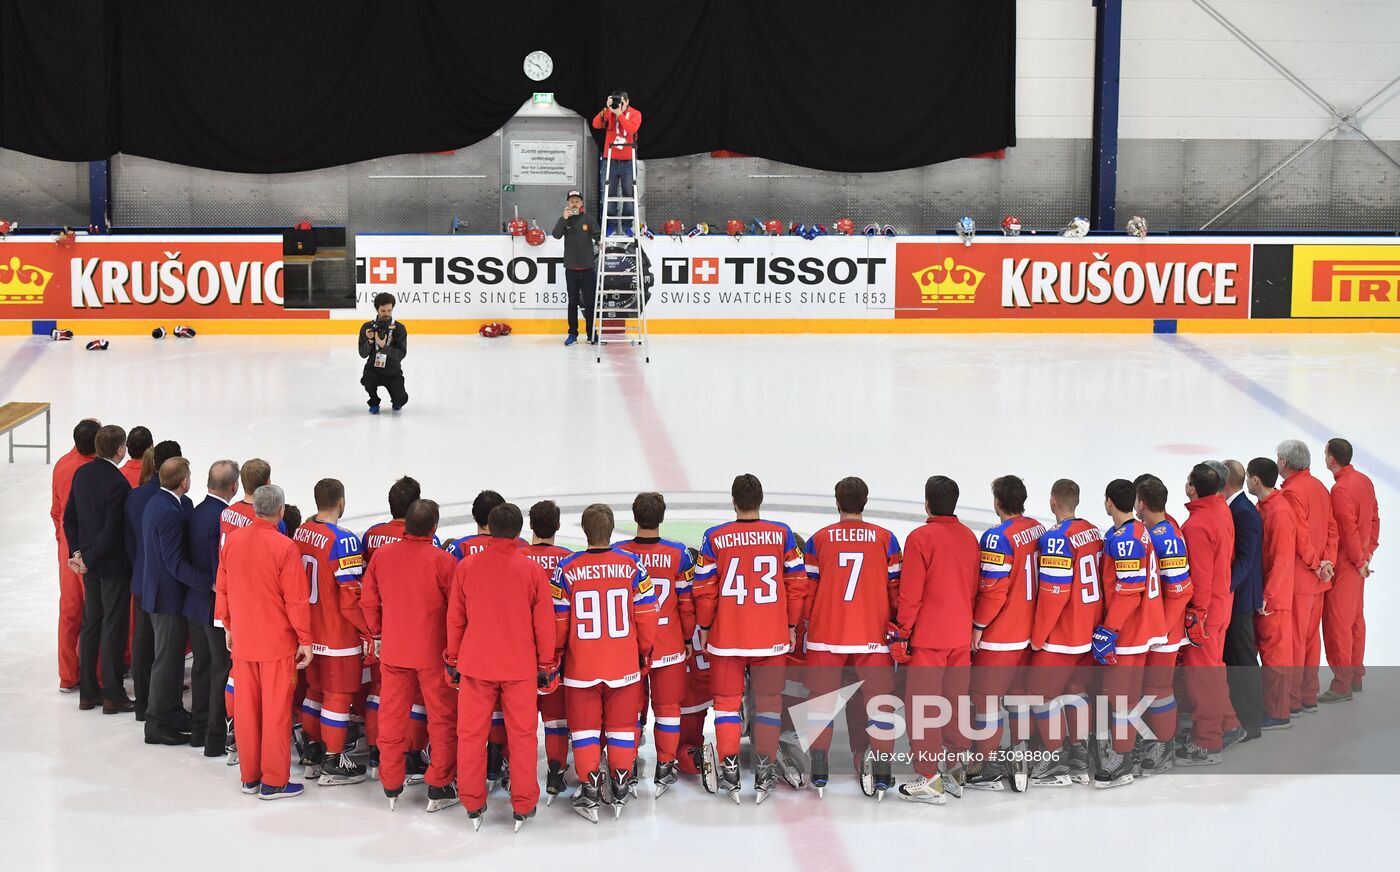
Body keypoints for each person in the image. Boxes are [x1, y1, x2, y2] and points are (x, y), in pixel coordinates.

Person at [692, 474, 807, 804]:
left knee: (726, 705)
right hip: (771, 636)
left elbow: (703, 589)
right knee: (769, 704)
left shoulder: (715, 537)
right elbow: (797, 584)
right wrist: (789, 625)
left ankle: (730, 769)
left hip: (727, 636)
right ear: (760, 500)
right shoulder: (782, 534)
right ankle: (765, 767)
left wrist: (705, 625)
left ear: (733, 501)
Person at [446, 502, 556, 831]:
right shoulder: (532, 570)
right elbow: (544, 624)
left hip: (476, 664)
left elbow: (456, 620)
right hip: (519, 666)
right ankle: (523, 804)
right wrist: (546, 662)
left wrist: (452, 658)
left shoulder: (466, 567)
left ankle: (472, 801)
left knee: (470, 735)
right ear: (521, 532)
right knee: (522, 736)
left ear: (489, 530)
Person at [553, 504, 658, 822]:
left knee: (584, 729)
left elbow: (558, 619)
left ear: (585, 531)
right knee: (624, 727)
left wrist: (557, 653)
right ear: (611, 530)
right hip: (623, 664)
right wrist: (644, 649)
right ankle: (622, 784)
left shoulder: (566, 568)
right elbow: (648, 613)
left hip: (581, 665)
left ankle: (589, 790)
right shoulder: (633, 565)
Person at [798, 477, 901, 799]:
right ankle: (883, 769)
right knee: (880, 705)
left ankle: (819, 766)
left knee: (820, 704)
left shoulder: (819, 540)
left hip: (825, 636)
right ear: (866, 501)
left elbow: (807, 592)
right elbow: (895, 590)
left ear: (837, 502)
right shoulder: (887, 539)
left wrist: (806, 624)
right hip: (873, 636)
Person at [215, 484, 313, 800]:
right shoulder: (285, 548)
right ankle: (274, 781)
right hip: (276, 645)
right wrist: (305, 639)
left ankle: (250, 776)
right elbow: (296, 600)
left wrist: (227, 625)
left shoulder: (233, 542)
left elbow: (223, 587)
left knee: (246, 711)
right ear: (281, 511)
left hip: (243, 640)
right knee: (276, 713)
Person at [362, 499, 460, 813]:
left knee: (391, 716)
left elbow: (368, 600)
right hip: (433, 652)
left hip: (394, 649)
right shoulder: (443, 561)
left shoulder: (383, 556)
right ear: (434, 528)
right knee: (442, 718)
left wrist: (377, 633)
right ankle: (440, 784)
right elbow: (458, 609)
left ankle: (391, 783)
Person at [967, 475, 1046, 790]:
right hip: (1030, 631)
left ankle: (983, 763)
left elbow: (994, 591)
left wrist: (978, 625)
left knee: (986, 701)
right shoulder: (1038, 528)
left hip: (1001, 636)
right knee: (1018, 699)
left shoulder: (996, 537)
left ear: (997, 502)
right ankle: (1020, 753)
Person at [1024, 479, 1103, 788]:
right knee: (1076, 692)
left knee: (1039, 694)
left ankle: (1055, 758)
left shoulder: (1056, 538)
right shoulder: (1093, 531)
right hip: (1088, 631)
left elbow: (1055, 593)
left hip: (1063, 635)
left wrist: (1039, 634)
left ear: (1053, 502)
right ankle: (1080, 759)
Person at [292, 479, 370, 787]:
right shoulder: (344, 540)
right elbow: (350, 599)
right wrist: (369, 630)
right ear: (341, 501)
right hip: (337, 634)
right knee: (338, 697)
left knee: (315, 692)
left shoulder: (301, 532)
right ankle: (334, 760)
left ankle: (313, 752)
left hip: (309, 633)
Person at [1091, 479, 1165, 790]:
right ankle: (1127, 750)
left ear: (1109, 503)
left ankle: (1121, 760)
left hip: (1129, 634)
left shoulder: (1125, 539)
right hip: (1141, 630)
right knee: (1128, 697)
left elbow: (1130, 590)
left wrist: (1110, 630)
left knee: (1120, 698)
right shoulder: (1136, 531)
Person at [360, 475, 435, 780]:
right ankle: (413, 753)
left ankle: (378, 754)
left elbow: (365, 587)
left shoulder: (371, 536)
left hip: (381, 632)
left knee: (382, 695)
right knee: (415, 697)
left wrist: (374, 632)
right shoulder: (432, 548)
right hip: (418, 634)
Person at [64, 424, 134, 714]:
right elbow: (112, 530)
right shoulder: (118, 483)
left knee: (92, 623)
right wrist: (89, 557)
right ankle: (112, 694)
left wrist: (77, 553)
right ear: (120, 450)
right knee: (113, 627)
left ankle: (88, 693)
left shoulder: (81, 473)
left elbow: (70, 518)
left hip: (88, 565)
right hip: (110, 566)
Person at [1177, 462, 1239, 762]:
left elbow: (1199, 576)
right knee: (1214, 670)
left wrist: (1196, 615)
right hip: (1222, 604)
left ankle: (1208, 740)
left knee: (1202, 677)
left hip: (1207, 612)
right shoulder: (1221, 510)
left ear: (1192, 488)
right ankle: (1228, 723)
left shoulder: (1196, 525)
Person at [1133, 478, 1197, 769]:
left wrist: (1163, 630)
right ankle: (1153, 740)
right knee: (1150, 687)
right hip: (1155, 629)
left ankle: (1164, 747)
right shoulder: (1156, 529)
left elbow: (1181, 588)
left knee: (1159, 688)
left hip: (1164, 632)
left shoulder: (1164, 536)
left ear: (1141, 502)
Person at [140, 457, 202, 746]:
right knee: (166, 660)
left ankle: (173, 712)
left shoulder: (159, 503)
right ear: (184, 481)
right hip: (167, 598)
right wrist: (207, 582)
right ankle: (156, 722)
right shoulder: (168, 511)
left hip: (161, 594)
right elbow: (174, 563)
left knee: (173, 659)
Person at [1277, 439, 1338, 715]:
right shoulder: (1320, 488)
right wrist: (1328, 563)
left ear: (1285, 463)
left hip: (1301, 579)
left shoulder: (1291, 493)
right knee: (1312, 639)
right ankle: (1308, 694)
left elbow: (1299, 535)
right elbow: (1332, 529)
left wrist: (1315, 564)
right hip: (1319, 579)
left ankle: (1292, 699)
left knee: (1295, 640)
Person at [521, 500, 576, 801]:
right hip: (556, 653)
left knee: (518, 717)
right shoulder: (568, 560)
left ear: (530, 525)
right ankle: (556, 772)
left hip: (518, 651)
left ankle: (508, 768)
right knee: (556, 717)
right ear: (557, 526)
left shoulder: (517, 557)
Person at [126, 439, 183, 722]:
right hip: (165, 583)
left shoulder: (136, 496)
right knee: (164, 649)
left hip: (140, 577)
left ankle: (143, 703)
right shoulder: (175, 504)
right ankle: (161, 707)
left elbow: (128, 542)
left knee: (144, 642)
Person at [1320, 437, 1379, 702]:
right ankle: (1354, 676)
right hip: (1358, 564)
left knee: (1338, 624)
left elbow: (1348, 530)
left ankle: (1342, 684)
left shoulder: (1341, 490)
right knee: (1355, 620)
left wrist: (1358, 559)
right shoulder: (1364, 481)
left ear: (1331, 458)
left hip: (1347, 566)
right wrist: (1368, 554)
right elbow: (1375, 517)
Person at [187, 459, 239, 757]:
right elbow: (221, 564)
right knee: (221, 669)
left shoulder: (194, 511)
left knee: (202, 667)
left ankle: (198, 728)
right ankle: (214, 737)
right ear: (234, 487)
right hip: (213, 607)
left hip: (194, 604)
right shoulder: (225, 517)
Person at [1246, 458, 1300, 729]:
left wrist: (1268, 595)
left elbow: (1282, 559)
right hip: (1266, 595)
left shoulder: (1278, 511)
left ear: (1255, 480)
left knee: (1276, 657)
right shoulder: (1264, 506)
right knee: (1268, 655)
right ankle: (1271, 706)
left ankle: (1279, 714)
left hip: (1273, 600)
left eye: (1248, 477)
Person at [52, 417, 100, 693]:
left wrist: (62, 541)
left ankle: (68, 675)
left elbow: (56, 511)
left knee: (69, 611)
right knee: (96, 609)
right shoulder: (94, 472)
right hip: (89, 549)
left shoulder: (61, 464)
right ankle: (97, 671)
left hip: (66, 548)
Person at [1221, 459, 1265, 740]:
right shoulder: (1236, 508)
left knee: (1244, 658)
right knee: (1236, 657)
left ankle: (1251, 721)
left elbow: (1247, 558)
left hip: (1240, 597)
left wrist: (1226, 586)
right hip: (1236, 596)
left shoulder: (1243, 512)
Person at [552, 190, 600, 346]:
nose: (574, 203)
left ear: (581, 204)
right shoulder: (565, 220)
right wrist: (563, 219)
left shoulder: (588, 219)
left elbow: (598, 235)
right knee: (572, 303)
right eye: (571, 201)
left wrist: (601, 242)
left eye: (577, 201)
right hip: (571, 270)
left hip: (588, 269)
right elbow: (556, 235)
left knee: (590, 303)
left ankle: (592, 334)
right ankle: (572, 334)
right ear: (568, 204)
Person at [591, 91, 642, 235]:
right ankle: (611, 225)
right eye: (616, 101)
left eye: (621, 102)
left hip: (628, 162)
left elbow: (632, 129)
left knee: (629, 194)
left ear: (627, 101)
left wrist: (619, 114)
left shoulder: (635, 114)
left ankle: (627, 225)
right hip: (610, 161)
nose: (618, 104)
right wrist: (607, 109)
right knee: (609, 194)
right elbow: (595, 124)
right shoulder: (609, 112)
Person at [358, 291, 408, 414]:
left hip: (392, 371)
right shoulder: (367, 327)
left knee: (401, 400)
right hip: (373, 369)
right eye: (383, 311)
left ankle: (396, 400)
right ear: (377, 310)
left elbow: (400, 355)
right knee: (367, 379)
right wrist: (370, 341)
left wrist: (384, 346)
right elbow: (362, 354)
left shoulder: (399, 328)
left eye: (389, 310)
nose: (386, 314)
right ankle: (374, 401)